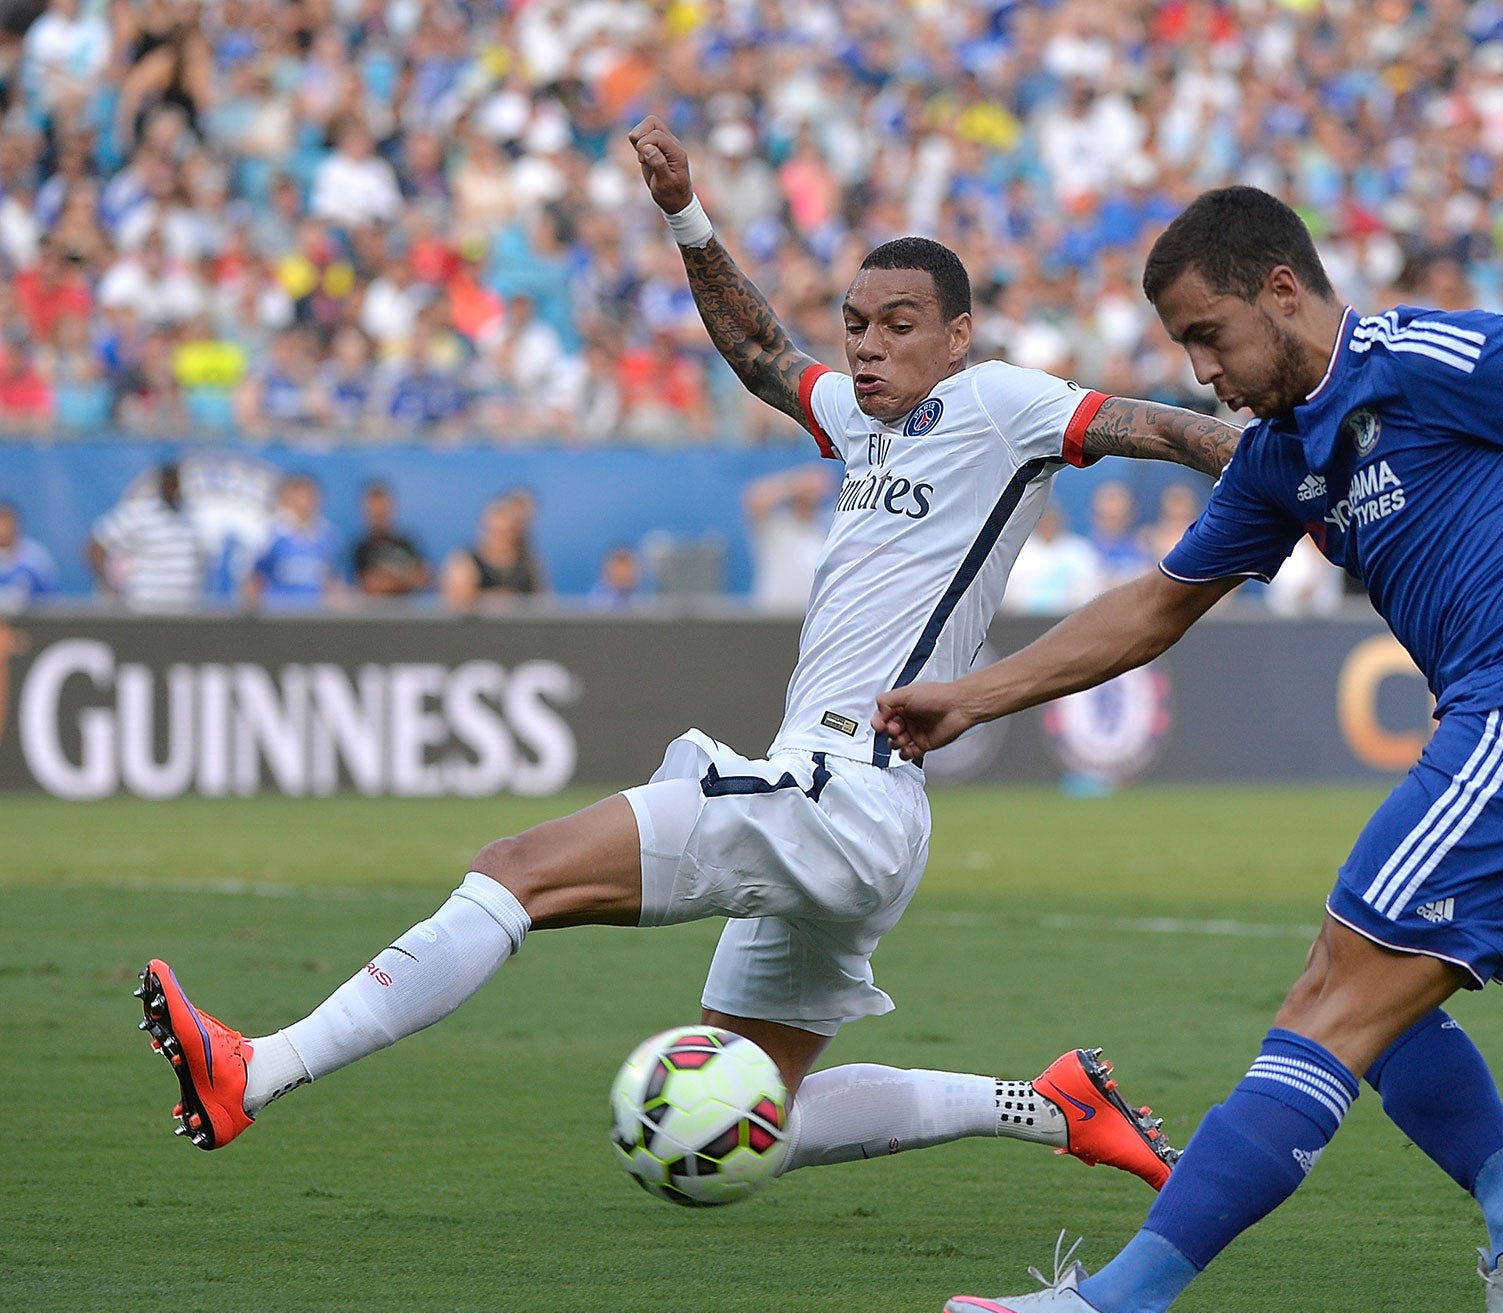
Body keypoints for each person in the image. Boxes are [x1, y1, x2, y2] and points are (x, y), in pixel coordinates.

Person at [130, 117, 1242, 1219]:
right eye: (854, 324)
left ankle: (256, 1070)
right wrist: (685, 213)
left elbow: (1167, 431)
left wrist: (1283, 455)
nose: (867, 346)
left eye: (898, 326)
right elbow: (762, 356)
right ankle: (1048, 1108)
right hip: (858, 814)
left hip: (842, 790)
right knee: (753, 1111)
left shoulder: (1003, 403)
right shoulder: (860, 421)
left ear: (957, 336)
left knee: (517, 867)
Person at [876, 186, 1503, 1313]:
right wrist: (969, 693)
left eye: (1209, 336)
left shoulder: (1432, 355)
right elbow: (1154, 607)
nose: (1202, 373)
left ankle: (1121, 1303)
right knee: (1366, 998)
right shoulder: (1282, 455)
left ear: (1280, 291)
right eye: (1184, 347)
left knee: (1327, 1006)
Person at [86, 461, 205, 612]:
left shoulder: (193, 518)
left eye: (178, 485)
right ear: (163, 485)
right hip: (144, 611)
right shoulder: (139, 513)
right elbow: (96, 546)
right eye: (171, 484)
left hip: (182, 611)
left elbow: (200, 560)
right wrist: (108, 585)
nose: (175, 490)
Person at [742, 464, 830, 614]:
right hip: (774, 615)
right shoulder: (776, 526)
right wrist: (797, 484)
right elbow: (755, 500)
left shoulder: (824, 530)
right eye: (804, 498)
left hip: (812, 617)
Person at [245, 474, 341, 611]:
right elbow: (255, 579)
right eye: (300, 496)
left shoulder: (327, 538)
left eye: (309, 496)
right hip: (278, 618)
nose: (304, 502)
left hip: (314, 619)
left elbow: (333, 583)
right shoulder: (272, 536)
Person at [440, 497, 543, 613]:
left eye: (508, 531)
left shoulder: (528, 562)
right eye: (497, 531)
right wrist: (496, 600)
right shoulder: (464, 559)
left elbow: (542, 601)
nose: (502, 537)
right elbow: (457, 601)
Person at [1001, 502, 1105, 614]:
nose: (1048, 524)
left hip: (1069, 619)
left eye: (1052, 520)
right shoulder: (1018, 552)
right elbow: (1007, 595)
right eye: (1044, 520)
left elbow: (1090, 589)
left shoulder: (1080, 551)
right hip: (1018, 622)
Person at [349, 481, 432, 600]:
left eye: (382, 510)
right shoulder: (361, 548)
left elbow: (423, 578)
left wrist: (391, 580)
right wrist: (404, 579)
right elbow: (370, 585)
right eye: (374, 511)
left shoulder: (407, 543)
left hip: (406, 614)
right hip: (373, 614)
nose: (378, 514)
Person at [0, 501, 60, 612]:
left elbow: (49, 601)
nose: (2, 527)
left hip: (30, 626)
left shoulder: (36, 558)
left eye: (6, 520)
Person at [589, 545, 645, 610]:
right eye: (618, 569)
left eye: (626, 568)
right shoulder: (597, 600)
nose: (622, 573)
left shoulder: (643, 599)